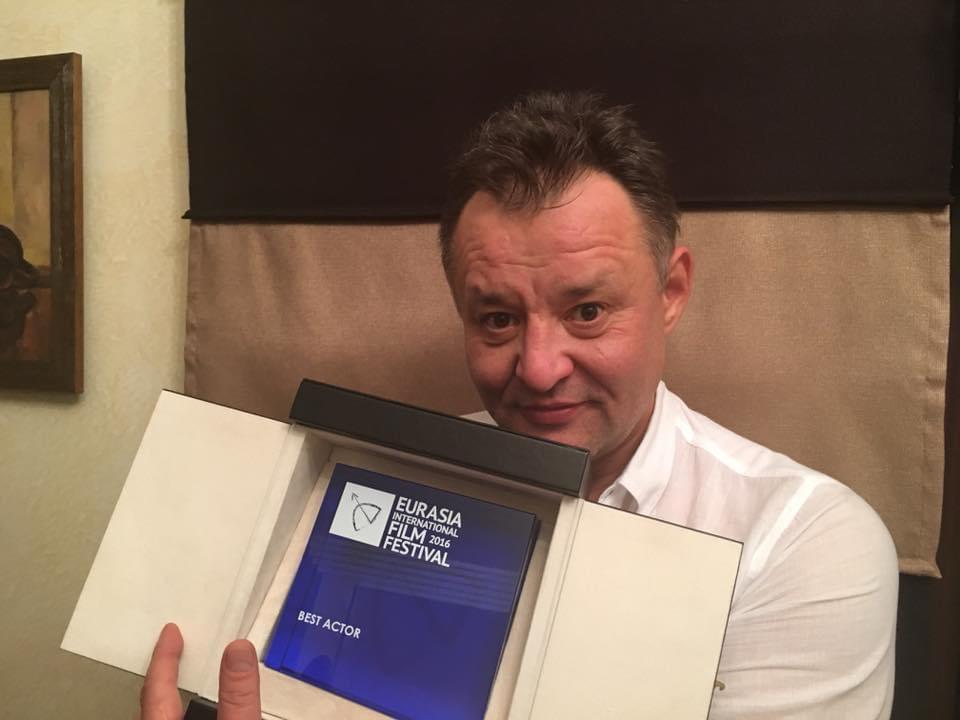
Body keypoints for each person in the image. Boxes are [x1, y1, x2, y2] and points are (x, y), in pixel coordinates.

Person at [144, 91, 898, 718]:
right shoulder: (391, 482)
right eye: (498, 319)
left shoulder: (800, 542)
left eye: (588, 312)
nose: (538, 370)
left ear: (671, 292)